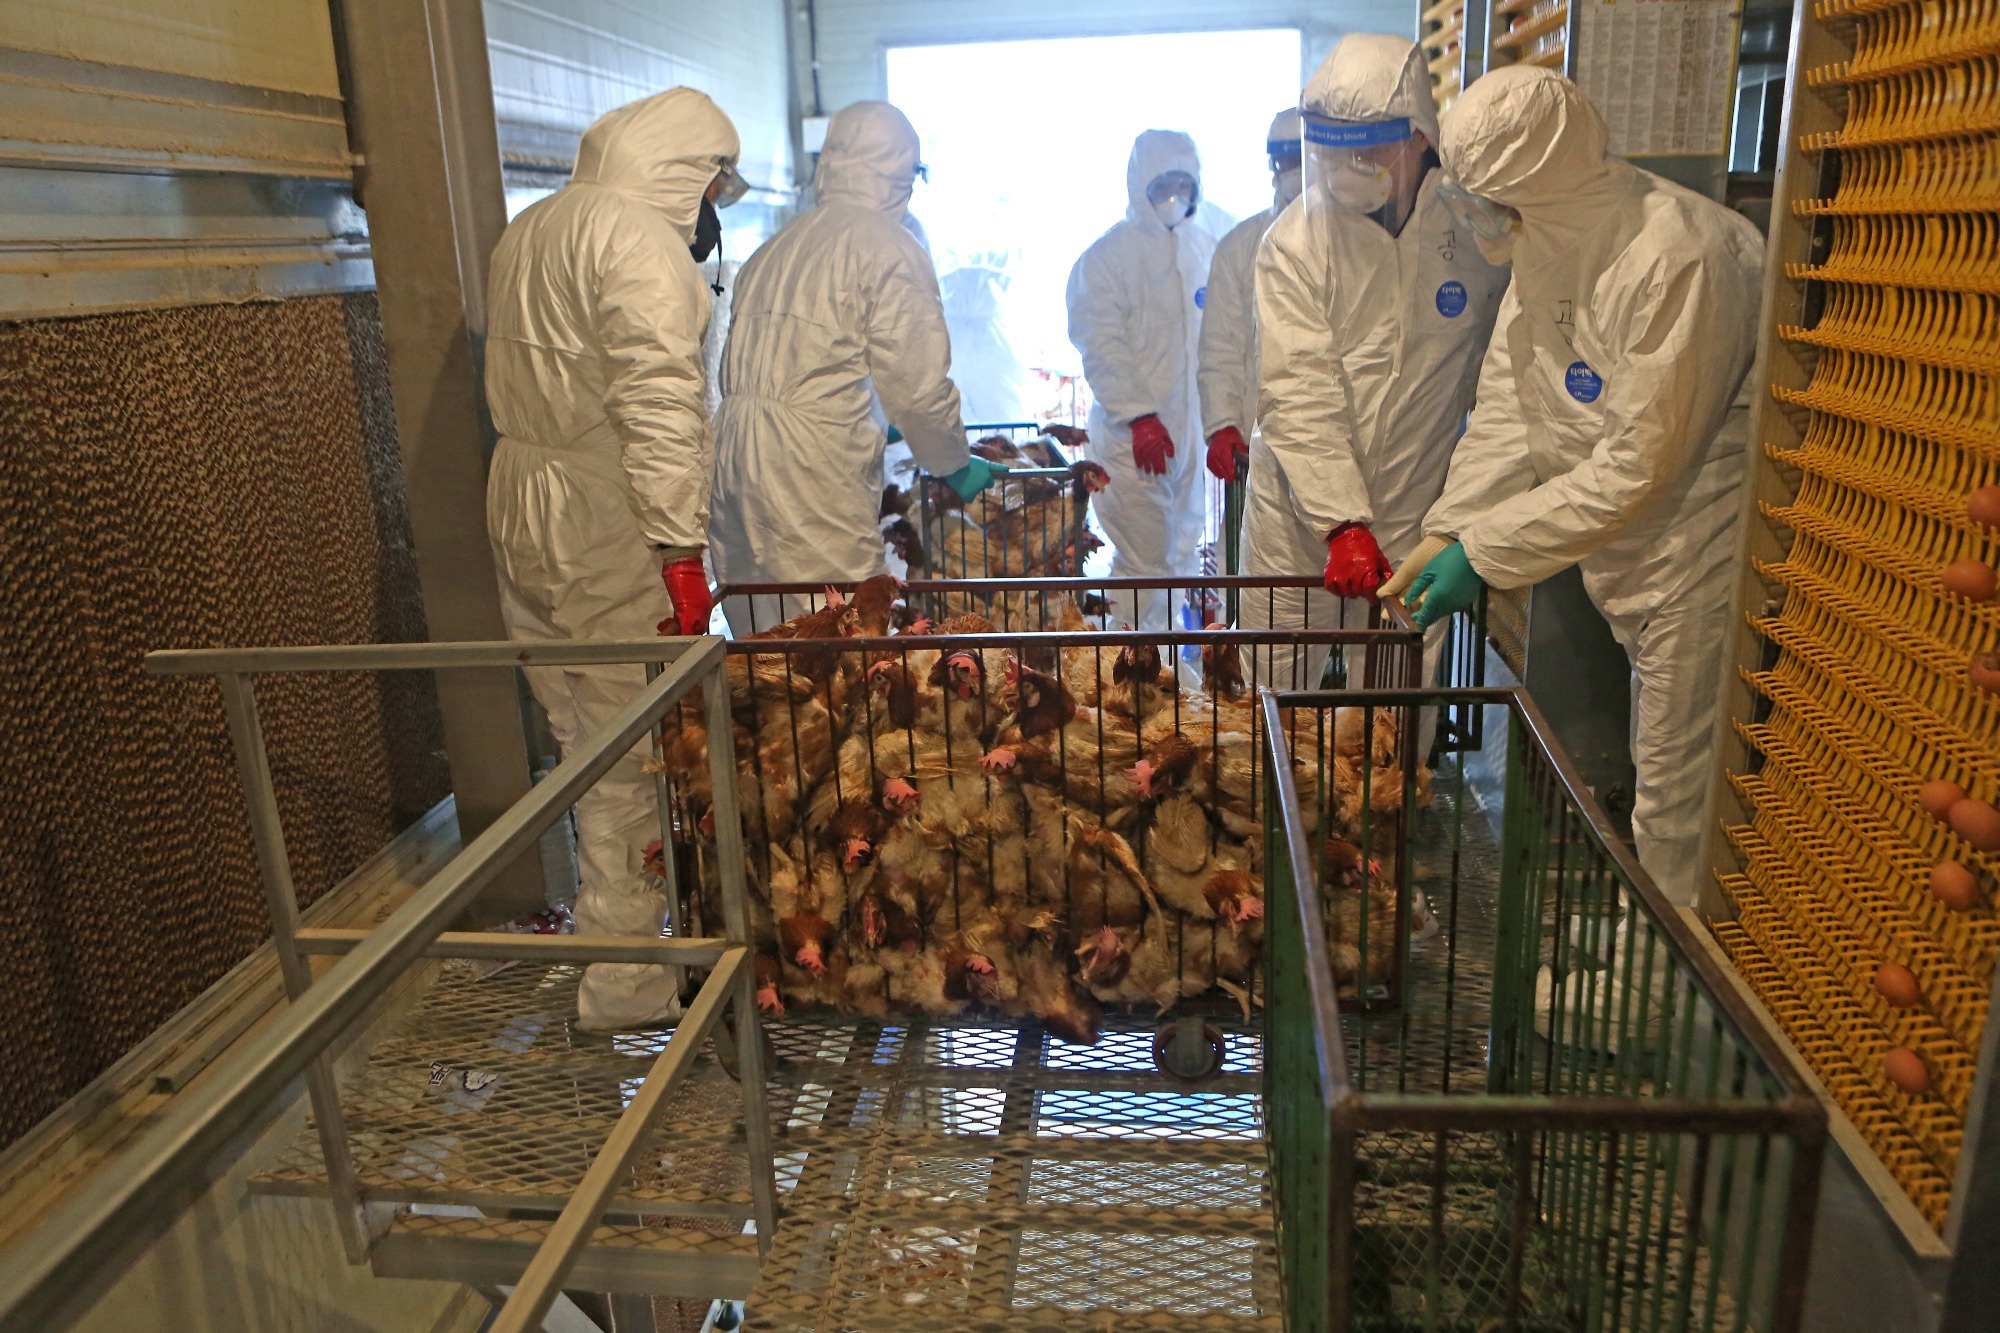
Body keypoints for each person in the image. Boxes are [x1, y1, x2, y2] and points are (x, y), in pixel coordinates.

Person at [1389, 66, 1765, 905]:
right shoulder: (1545, 243)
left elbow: (1639, 466)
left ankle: (1674, 992)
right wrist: (1450, 527)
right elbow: (1512, 409)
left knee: (1677, 791)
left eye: (1491, 199)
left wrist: (1487, 551)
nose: (1478, 217)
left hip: (1691, 561)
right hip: (1620, 559)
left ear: (1536, 188)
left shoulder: (1680, 256)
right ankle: (1659, 943)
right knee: (1655, 766)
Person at [484, 88, 745, 1031]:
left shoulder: (538, 225)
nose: (716, 201)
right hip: (606, 511)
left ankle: (622, 949)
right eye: (717, 179)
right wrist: (679, 549)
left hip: (522, 492)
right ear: (688, 168)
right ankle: (628, 982)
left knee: (580, 731)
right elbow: (658, 403)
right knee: (631, 748)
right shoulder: (639, 243)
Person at [1243, 35, 1509, 690]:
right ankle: (1272, 799)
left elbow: (1505, 378)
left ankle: (1382, 798)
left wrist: (1471, 519)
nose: (1347, 168)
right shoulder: (1296, 245)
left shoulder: (1475, 232)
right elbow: (1299, 392)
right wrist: (1340, 519)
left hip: (1414, 510)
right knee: (1271, 700)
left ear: (1420, 136)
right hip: (1297, 516)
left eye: (1367, 148)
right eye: (1332, 151)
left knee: (1393, 710)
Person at [710, 101, 1005, 630]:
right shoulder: (889, 247)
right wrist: (953, 461)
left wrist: (871, 415)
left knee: (762, 634)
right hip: (808, 466)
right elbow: (918, 391)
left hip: (733, 455)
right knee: (845, 626)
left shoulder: (774, 248)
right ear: (900, 173)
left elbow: (803, 362)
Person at [1066, 130, 1218, 631]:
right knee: (1143, 566)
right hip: (1131, 446)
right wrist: (1140, 415)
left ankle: (1161, 675)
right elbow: (1101, 343)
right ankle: (1122, 672)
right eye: (1163, 183)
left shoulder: (1206, 247)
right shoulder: (1109, 257)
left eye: (1184, 181)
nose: (1175, 193)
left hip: (1187, 438)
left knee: (1177, 558)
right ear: (1140, 186)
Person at [1197, 107, 1302, 488]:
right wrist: (1221, 423)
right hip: (1256, 444)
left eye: (1297, 161)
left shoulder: (1359, 243)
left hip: (1341, 448)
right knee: (1252, 545)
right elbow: (1220, 346)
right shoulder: (1241, 246)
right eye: (1281, 161)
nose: (1287, 172)